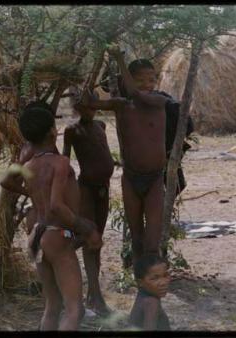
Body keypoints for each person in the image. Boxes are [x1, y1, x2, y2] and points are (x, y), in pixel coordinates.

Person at [18, 104, 103, 330]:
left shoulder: (28, 165)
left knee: (52, 305)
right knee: (74, 310)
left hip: (37, 235)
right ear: (52, 132)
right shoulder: (60, 162)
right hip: (57, 235)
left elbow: (35, 195)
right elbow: (56, 205)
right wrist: (86, 228)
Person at [82, 44, 168, 264]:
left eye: (151, 79)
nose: (147, 85)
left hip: (155, 179)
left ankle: (151, 280)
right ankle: (140, 278)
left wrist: (120, 59)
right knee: (136, 235)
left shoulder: (159, 101)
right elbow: (89, 102)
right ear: (128, 79)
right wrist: (91, 76)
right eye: (140, 80)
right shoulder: (121, 105)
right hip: (131, 177)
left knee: (152, 239)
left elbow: (136, 94)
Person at [63, 92, 115, 316]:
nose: (90, 111)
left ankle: (93, 296)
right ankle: (97, 298)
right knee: (89, 239)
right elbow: (65, 159)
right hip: (86, 189)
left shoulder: (101, 125)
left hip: (103, 188)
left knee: (97, 240)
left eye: (93, 106)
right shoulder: (72, 130)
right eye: (85, 107)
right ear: (77, 107)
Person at [0, 101, 60, 235]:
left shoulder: (47, 146)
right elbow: (6, 181)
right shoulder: (30, 149)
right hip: (42, 215)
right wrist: (32, 193)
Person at [128, 254, 171, 331]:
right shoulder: (151, 302)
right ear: (140, 282)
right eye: (155, 278)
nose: (163, 282)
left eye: (165, 275)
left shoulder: (143, 295)